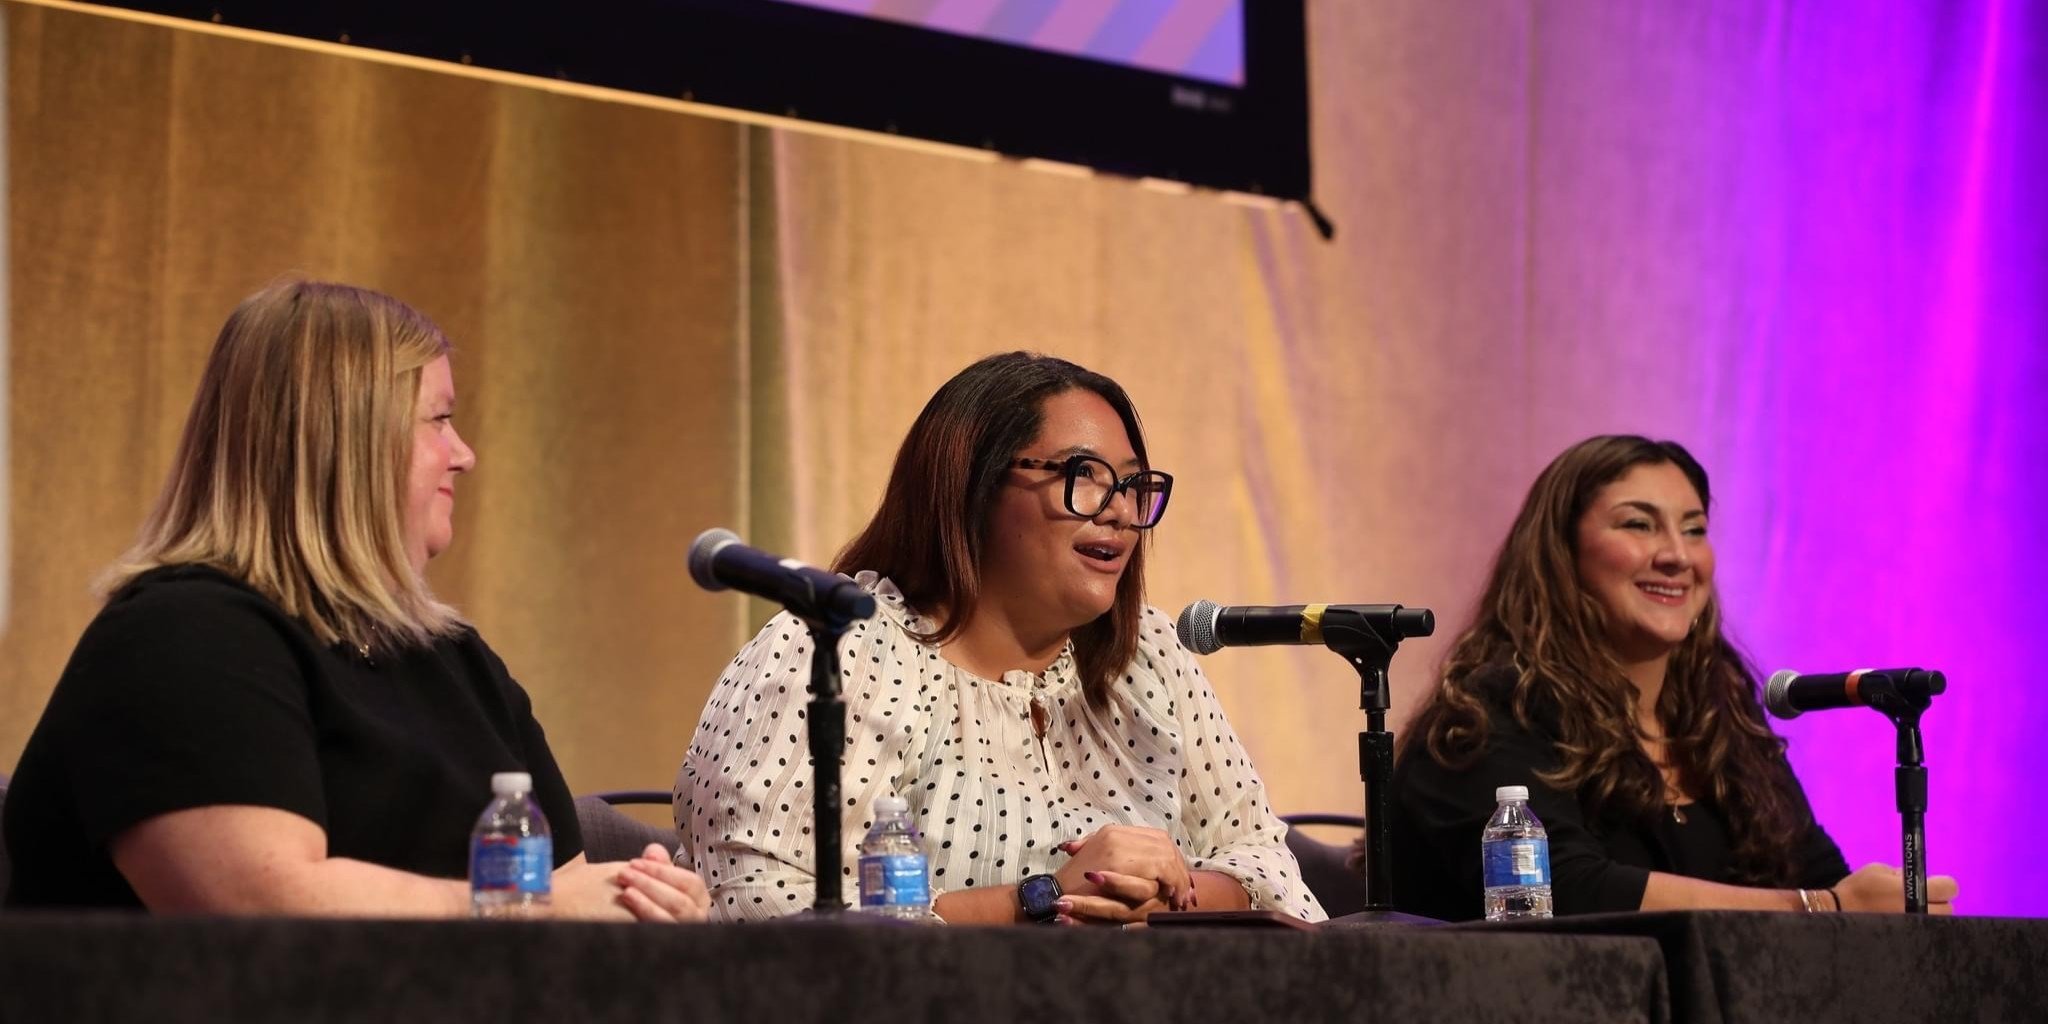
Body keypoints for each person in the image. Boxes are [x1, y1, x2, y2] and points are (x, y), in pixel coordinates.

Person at [2, 280, 707, 921]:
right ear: (348, 440)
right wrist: (531, 907)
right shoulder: (180, 640)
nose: (464, 454)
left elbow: (565, 890)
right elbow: (259, 911)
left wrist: (641, 905)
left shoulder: (457, 662)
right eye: (439, 420)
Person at [676, 352, 1322, 924]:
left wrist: (1160, 900)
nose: (1120, 510)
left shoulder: (1149, 656)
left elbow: (1265, 865)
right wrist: (1040, 900)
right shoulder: (836, 649)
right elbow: (755, 907)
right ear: (971, 487)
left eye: (1131, 483)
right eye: (1084, 474)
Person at [1386, 435, 1957, 919]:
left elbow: (1813, 870)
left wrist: (1880, 908)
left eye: (1694, 529)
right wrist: (1820, 909)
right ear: (1562, 555)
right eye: (1639, 524)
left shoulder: (1718, 715)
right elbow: (1559, 890)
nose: (1677, 556)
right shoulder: (1487, 712)